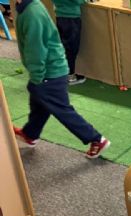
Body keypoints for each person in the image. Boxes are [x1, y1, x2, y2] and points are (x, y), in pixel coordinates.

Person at [13, 0, 109, 159]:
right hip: (50, 70)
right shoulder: (28, 8)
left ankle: (96, 139)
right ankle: (30, 134)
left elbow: (35, 49)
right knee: (39, 103)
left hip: (50, 72)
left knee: (61, 109)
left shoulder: (32, 13)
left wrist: (37, 76)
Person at [52, 0, 87, 85]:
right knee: (71, 48)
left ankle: (62, 73)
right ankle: (70, 76)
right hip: (71, 17)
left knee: (64, 47)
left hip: (60, 15)